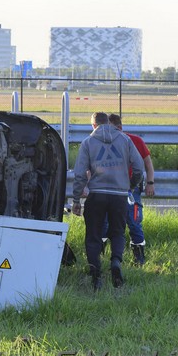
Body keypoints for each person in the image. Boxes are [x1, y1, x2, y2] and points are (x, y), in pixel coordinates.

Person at [71, 112, 144, 290]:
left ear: (94, 125)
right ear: (109, 123)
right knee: (118, 232)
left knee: (93, 235)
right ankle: (116, 263)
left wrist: (76, 200)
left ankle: (96, 274)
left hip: (97, 195)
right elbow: (139, 167)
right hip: (119, 195)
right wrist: (130, 186)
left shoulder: (88, 142)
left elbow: (80, 174)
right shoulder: (125, 140)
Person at [105, 113, 155, 265]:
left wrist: (150, 183)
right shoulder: (103, 142)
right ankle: (101, 256)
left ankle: (139, 258)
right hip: (109, 187)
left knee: (133, 221)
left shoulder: (135, 141)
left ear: (119, 128)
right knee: (104, 222)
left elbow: (148, 164)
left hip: (130, 188)